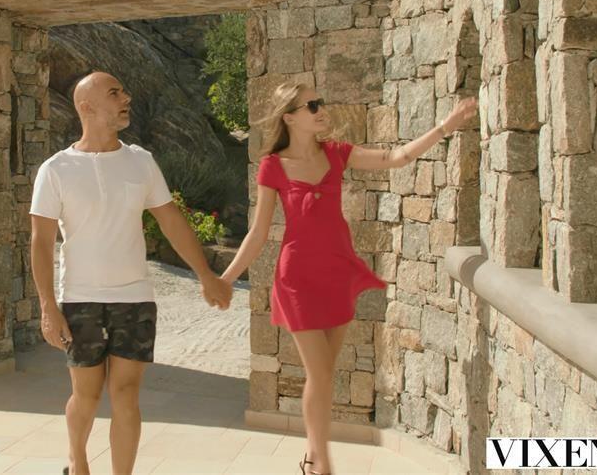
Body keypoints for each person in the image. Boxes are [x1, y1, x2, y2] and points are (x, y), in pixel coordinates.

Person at [221, 83, 477, 475]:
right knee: (320, 372)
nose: (321, 109)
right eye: (312, 105)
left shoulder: (337, 153)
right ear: (290, 118)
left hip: (338, 273)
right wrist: (225, 279)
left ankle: (313, 454)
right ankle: (319, 462)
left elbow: (396, 157)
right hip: (297, 279)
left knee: (325, 375)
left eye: (320, 102)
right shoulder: (273, 166)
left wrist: (446, 126)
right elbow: (257, 234)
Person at [29, 71, 234, 475]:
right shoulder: (56, 169)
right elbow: (41, 241)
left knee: (126, 394)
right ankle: (77, 461)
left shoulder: (141, 162)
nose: (126, 98)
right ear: (86, 106)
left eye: (123, 91)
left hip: (135, 298)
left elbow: (171, 221)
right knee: (86, 396)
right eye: (115, 93)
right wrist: (48, 306)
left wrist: (206, 274)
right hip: (81, 300)